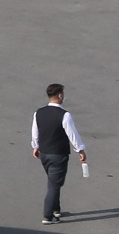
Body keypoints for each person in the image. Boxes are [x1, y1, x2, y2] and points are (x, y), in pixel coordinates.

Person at [30, 83, 87, 224]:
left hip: (44, 154)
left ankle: (56, 209)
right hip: (58, 155)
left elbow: (35, 133)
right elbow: (72, 135)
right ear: (60, 95)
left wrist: (36, 147)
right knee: (54, 186)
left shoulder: (39, 112)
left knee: (53, 182)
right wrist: (80, 150)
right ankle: (48, 216)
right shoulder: (64, 115)